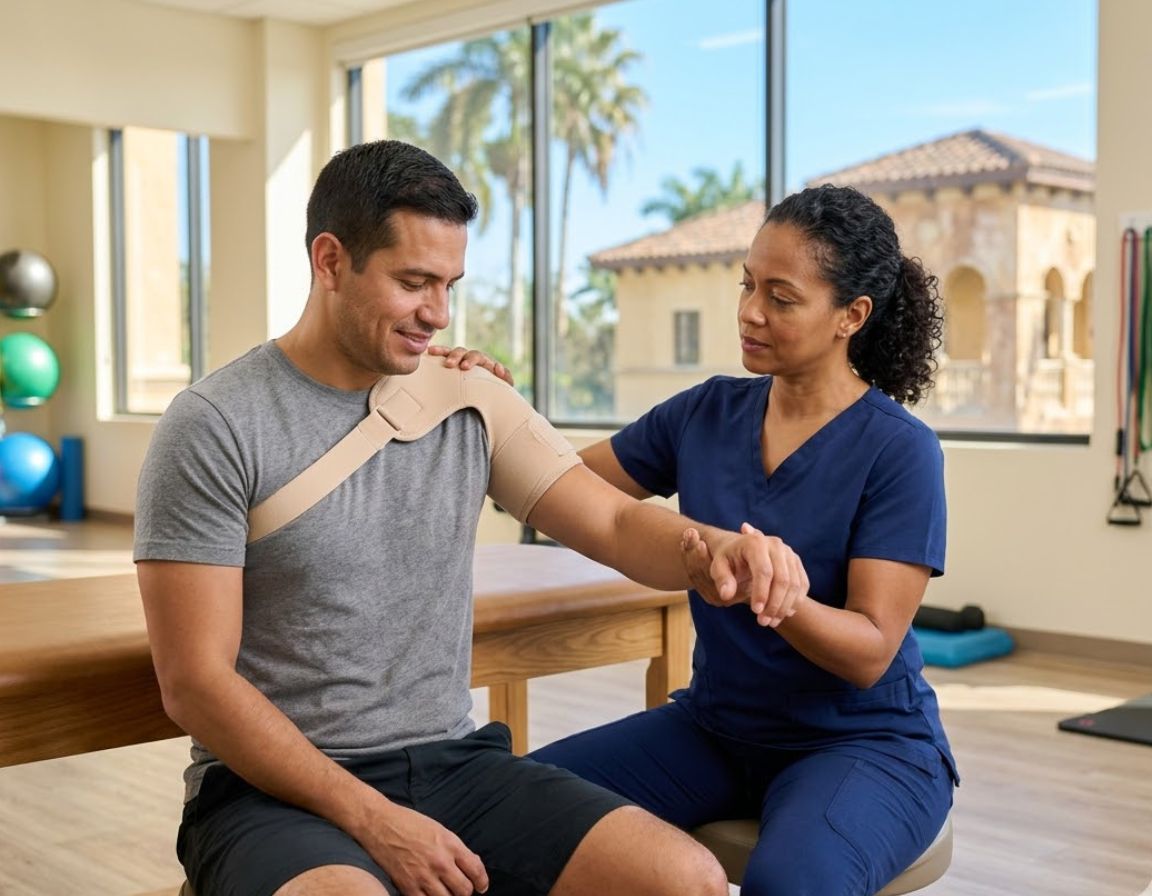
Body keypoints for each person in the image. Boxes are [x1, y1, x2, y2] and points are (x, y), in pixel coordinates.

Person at [133, 139, 806, 896]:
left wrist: (709, 548)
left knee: (685, 879)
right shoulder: (215, 425)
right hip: (270, 792)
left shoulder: (468, 397)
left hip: (453, 765)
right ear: (330, 261)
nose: (439, 313)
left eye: (449, 285)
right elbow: (194, 683)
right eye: (413, 282)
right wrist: (376, 819)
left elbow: (615, 525)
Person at [446, 183, 958, 896]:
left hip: (864, 745)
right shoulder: (707, 412)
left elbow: (870, 652)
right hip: (715, 729)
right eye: (748, 285)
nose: (750, 311)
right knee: (504, 816)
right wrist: (490, 405)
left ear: (852, 315)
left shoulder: (898, 450)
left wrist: (769, 593)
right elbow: (548, 488)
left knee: (790, 883)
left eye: (781, 298)